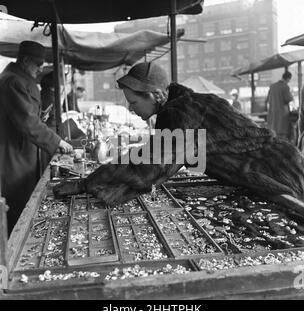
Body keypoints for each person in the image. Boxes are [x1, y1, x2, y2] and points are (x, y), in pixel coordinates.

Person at [54, 62, 304, 205]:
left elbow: (150, 166)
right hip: (282, 158)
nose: (131, 108)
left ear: (153, 95)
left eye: (134, 102)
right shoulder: (190, 102)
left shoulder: (177, 113)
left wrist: (87, 183)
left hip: (276, 170)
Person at [0, 41, 73, 234]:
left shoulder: (18, 78)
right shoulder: (12, 81)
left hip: (23, 149)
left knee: (24, 196)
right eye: (38, 64)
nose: (40, 69)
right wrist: (57, 142)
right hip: (14, 153)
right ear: (25, 61)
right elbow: (27, 121)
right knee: (18, 199)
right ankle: (15, 242)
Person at [265, 71, 293, 140]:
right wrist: (291, 96)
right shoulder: (285, 86)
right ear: (288, 79)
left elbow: (267, 99)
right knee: (282, 137)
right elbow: (288, 99)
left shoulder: (272, 86)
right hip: (282, 116)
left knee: (273, 136)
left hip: (272, 116)